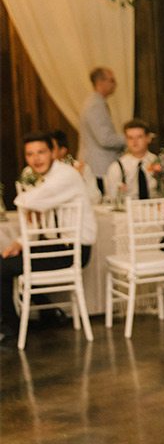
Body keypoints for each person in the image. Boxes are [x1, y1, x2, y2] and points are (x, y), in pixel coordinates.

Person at [0, 132, 96, 342]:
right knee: (7, 260)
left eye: (41, 152)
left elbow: (25, 199)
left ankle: (11, 327)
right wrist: (20, 243)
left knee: (2, 268)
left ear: (53, 152)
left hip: (73, 250)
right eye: (30, 154)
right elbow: (38, 211)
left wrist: (26, 199)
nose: (36, 159)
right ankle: (44, 314)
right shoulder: (50, 177)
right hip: (59, 246)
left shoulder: (65, 176)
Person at [78, 66, 126, 191]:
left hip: (97, 165)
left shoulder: (95, 102)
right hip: (98, 167)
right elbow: (105, 139)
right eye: (111, 80)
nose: (115, 84)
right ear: (100, 82)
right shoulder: (95, 105)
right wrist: (129, 139)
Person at [103, 119, 160, 201]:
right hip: (128, 211)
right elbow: (111, 198)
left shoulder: (158, 162)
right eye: (130, 138)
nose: (134, 142)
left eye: (139, 137)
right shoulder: (117, 167)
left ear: (148, 138)